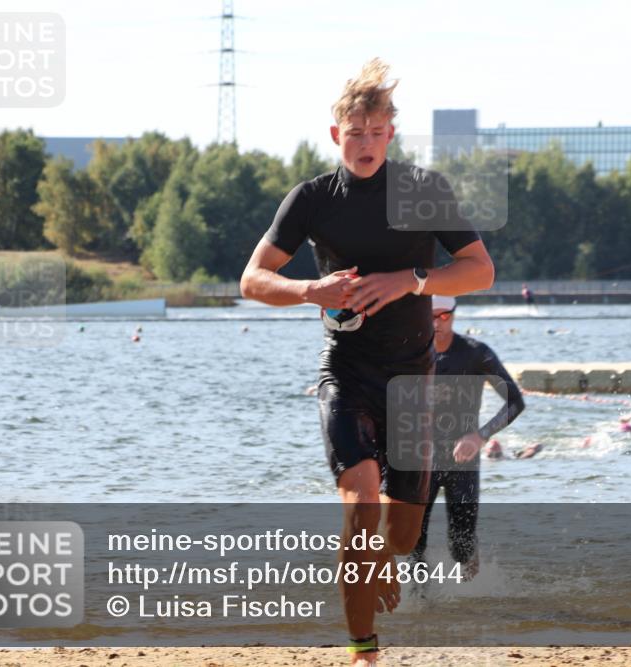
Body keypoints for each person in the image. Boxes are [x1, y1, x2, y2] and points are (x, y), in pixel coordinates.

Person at [239, 59, 494, 666]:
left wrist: (411, 279)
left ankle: (380, 564)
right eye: (355, 131)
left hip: (412, 379)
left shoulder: (424, 191)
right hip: (345, 372)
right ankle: (363, 652)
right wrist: (310, 290)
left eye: (378, 132)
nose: (366, 143)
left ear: (391, 136)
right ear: (336, 135)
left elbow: (480, 270)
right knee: (359, 508)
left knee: (401, 537)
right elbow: (252, 279)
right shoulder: (311, 200)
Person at [409, 295, 525, 581]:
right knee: (413, 540)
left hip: (463, 461)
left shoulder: (475, 353)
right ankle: (421, 602)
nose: (436, 323)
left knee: (461, 543)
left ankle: (472, 598)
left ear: (454, 314)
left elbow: (514, 402)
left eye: (444, 316)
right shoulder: (408, 352)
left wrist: (481, 436)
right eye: (430, 316)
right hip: (418, 459)